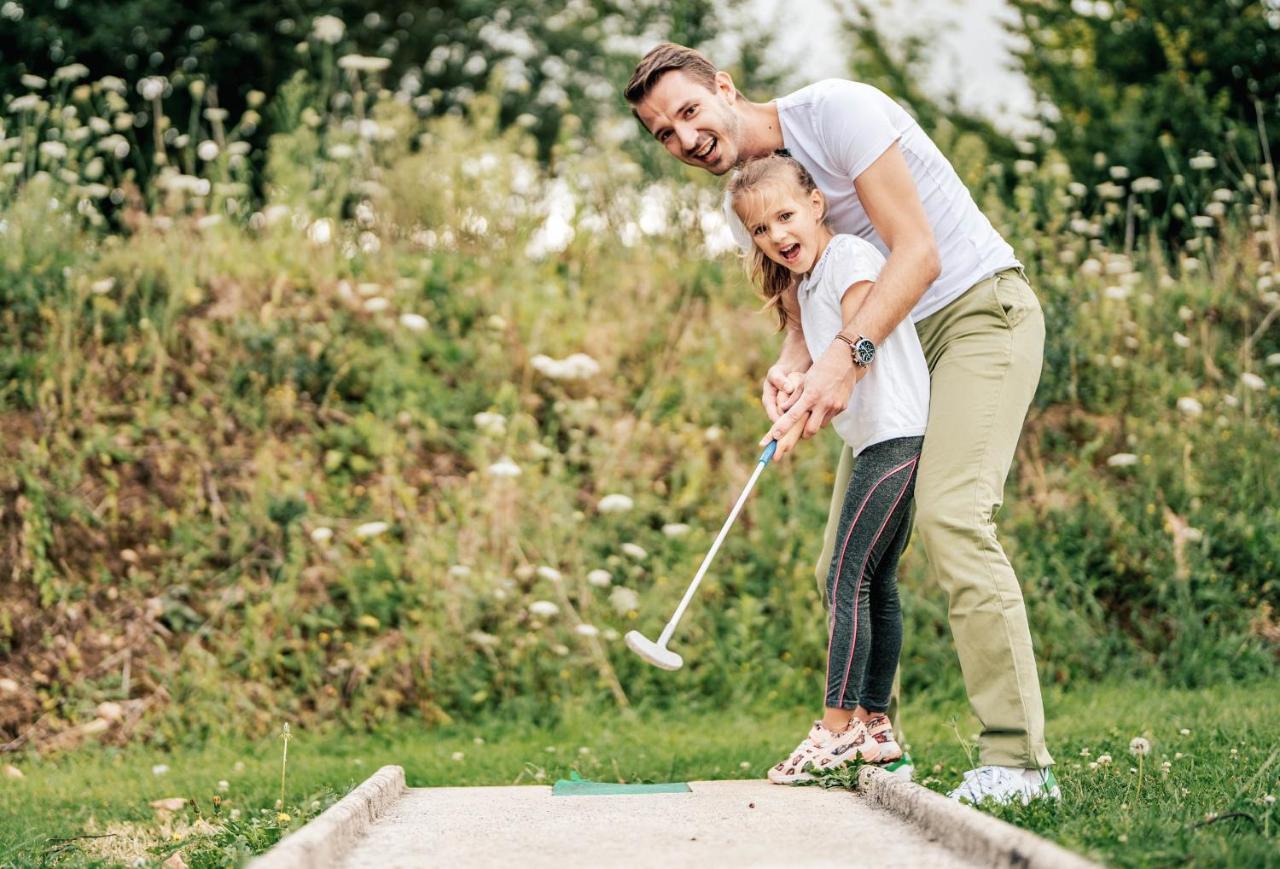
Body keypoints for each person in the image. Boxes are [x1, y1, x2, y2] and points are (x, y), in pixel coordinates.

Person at [624, 43, 1059, 804]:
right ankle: (874, 739)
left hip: (975, 316)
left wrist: (844, 359)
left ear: (725, 89)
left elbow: (916, 256)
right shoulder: (750, 200)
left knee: (954, 516)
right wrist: (794, 367)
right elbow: (803, 313)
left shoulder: (839, 114)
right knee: (845, 566)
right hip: (892, 353)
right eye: (664, 133)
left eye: (689, 111)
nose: (685, 139)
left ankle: (1019, 764)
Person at [728, 151, 926, 784]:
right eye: (761, 229)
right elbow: (813, 356)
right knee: (876, 580)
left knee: (846, 574)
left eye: (786, 216)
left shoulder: (846, 259)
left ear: (816, 205)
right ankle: (874, 727)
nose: (777, 236)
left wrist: (809, 401)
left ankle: (836, 729)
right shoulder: (806, 279)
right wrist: (791, 389)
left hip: (895, 434)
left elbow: (856, 348)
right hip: (876, 440)